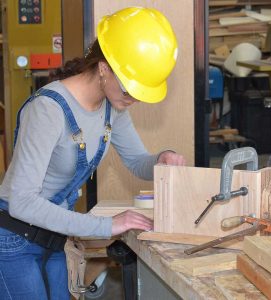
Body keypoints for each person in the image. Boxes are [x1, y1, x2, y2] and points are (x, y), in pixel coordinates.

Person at [0, 6, 185, 300]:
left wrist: (162, 159)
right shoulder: (48, 110)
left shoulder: (114, 106)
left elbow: (137, 162)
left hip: (55, 233)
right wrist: (107, 225)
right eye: (129, 88)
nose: (134, 98)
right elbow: (21, 202)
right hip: (15, 242)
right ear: (103, 67)